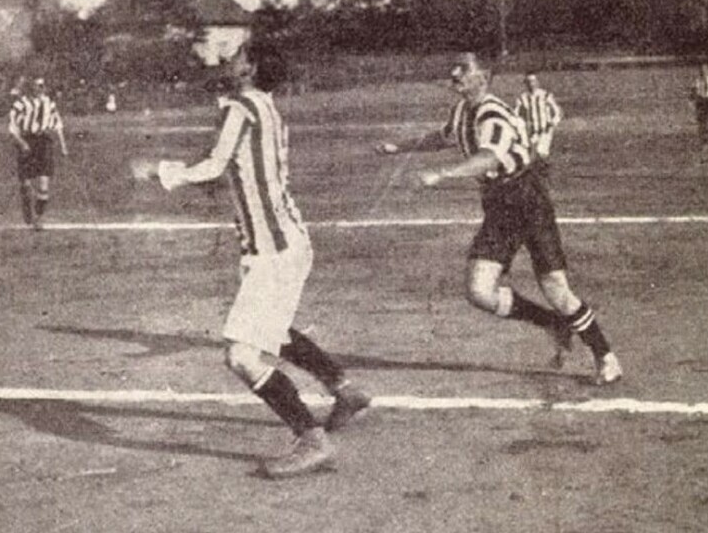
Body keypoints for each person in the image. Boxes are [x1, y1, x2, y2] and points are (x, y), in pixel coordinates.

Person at [131, 44, 370, 478]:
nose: (229, 57)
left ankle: (312, 440)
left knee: (242, 355)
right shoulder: (267, 108)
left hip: (273, 251)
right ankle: (343, 388)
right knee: (270, 330)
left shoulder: (240, 107)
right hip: (287, 242)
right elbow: (237, 169)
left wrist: (158, 170)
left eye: (238, 54)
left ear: (252, 67)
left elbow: (215, 164)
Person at [377, 52, 622, 386]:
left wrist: (443, 174)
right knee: (478, 291)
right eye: (455, 69)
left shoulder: (493, 113)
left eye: (463, 69)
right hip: (499, 206)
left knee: (556, 288)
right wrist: (398, 147)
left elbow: (488, 157)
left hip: (527, 200)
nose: (454, 74)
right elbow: (443, 137)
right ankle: (551, 323)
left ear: (484, 76)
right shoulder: (463, 109)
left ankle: (605, 357)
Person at [8, 76, 68, 230]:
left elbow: (58, 125)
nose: (40, 89)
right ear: (31, 87)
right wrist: (22, 143)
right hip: (27, 141)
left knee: (44, 184)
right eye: (36, 86)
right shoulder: (21, 104)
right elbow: (12, 129)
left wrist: (63, 146)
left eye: (42, 86)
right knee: (26, 184)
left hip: (44, 142)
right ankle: (27, 206)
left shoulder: (49, 103)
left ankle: (38, 218)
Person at [512, 72, 563, 161]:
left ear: (537, 82)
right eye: (528, 82)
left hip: (544, 130)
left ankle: (544, 170)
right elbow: (516, 114)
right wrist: (519, 126)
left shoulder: (545, 95)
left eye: (533, 81)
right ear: (526, 84)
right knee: (530, 154)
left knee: (541, 152)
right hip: (531, 132)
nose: (531, 84)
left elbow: (557, 111)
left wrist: (553, 122)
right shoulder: (522, 98)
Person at [688, 65, 708, 152]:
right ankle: (704, 143)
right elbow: (692, 93)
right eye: (702, 70)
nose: (704, 72)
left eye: (705, 70)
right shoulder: (697, 82)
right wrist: (691, 102)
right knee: (702, 125)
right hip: (701, 102)